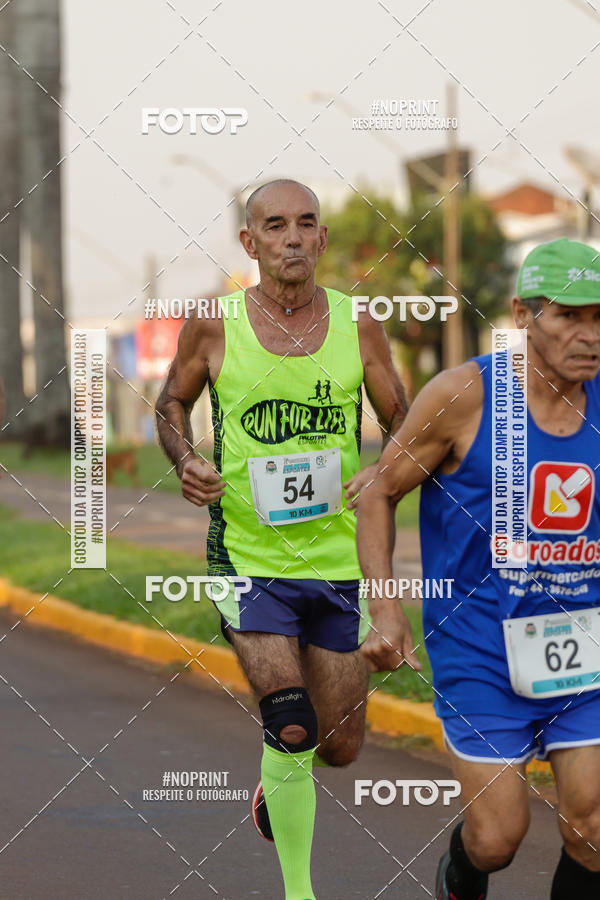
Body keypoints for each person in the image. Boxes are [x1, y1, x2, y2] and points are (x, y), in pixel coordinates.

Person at [155, 179, 408, 900]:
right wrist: (187, 458)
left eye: (306, 224)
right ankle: (300, 891)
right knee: (292, 723)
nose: (293, 237)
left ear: (323, 239)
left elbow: (405, 422)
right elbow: (172, 400)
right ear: (250, 243)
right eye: (276, 225)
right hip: (248, 559)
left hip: (340, 564)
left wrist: (384, 475)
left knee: (341, 746)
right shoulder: (213, 326)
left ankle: (275, 784)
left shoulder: (359, 327)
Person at [356, 237, 600, 900]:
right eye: (568, 316)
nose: (589, 335)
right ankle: (462, 871)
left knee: (594, 828)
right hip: (480, 647)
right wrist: (385, 608)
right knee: (497, 839)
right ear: (523, 314)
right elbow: (378, 490)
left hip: (584, 645)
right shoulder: (465, 395)